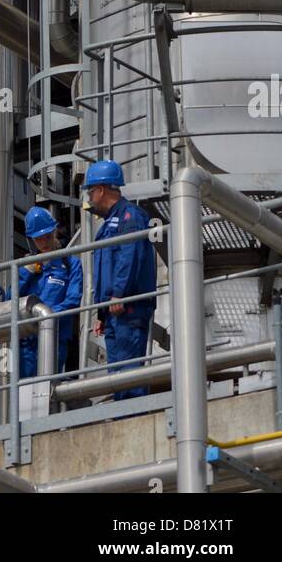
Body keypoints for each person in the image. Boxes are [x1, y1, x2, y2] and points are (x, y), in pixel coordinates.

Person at [83, 160, 156, 400]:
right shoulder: (108, 225)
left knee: (129, 373)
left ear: (101, 190)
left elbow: (129, 256)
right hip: (114, 312)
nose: (89, 198)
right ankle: (123, 418)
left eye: (90, 191)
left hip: (129, 308)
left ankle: (133, 420)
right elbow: (105, 270)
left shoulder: (130, 216)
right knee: (116, 376)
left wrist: (119, 294)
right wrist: (102, 313)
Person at [14, 207, 83, 379]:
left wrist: (47, 316)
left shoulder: (70, 263)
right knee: (24, 393)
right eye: (39, 239)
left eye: (47, 236)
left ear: (54, 232)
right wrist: (25, 273)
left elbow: (73, 300)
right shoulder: (26, 266)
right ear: (32, 240)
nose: (44, 242)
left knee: (47, 390)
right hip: (27, 342)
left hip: (55, 336)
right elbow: (10, 301)